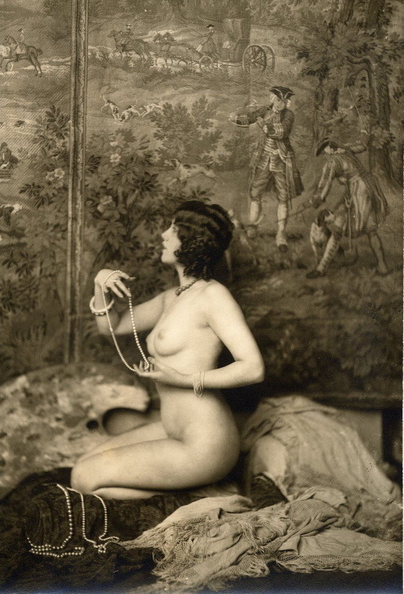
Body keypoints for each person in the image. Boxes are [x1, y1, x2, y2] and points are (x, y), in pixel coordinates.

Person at [71, 201, 265, 500]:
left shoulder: (213, 295)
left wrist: (183, 379)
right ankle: (199, 489)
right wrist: (100, 284)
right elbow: (112, 326)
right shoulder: (171, 298)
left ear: (192, 241)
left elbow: (253, 368)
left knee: (84, 479)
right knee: (81, 465)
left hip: (205, 442)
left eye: (173, 230)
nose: (163, 235)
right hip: (171, 427)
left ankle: (199, 495)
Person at [306, 137, 389, 278]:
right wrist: (364, 133)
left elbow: (325, 185)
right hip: (370, 187)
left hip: (359, 192)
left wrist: (315, 200)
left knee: (338, 228)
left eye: (325, 151)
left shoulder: (333, 162)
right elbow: (363, 145)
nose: (325, 155)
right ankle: (383, 266)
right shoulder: (346, 149)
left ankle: (321, 268)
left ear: (329, 149)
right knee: (371, 230)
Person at [237, 86, 304, 251]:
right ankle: (252, 226)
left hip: (281, 159)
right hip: (264, 158)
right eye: (278, 100)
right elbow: (250, 118)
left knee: (283, 196)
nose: (280, 104)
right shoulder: (265, 110)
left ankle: (281, 234)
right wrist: (237, 118)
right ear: (272, 99)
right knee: (255, 192)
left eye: (284, 101)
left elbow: (282, 132)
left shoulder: (289, 115)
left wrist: (265, 126)